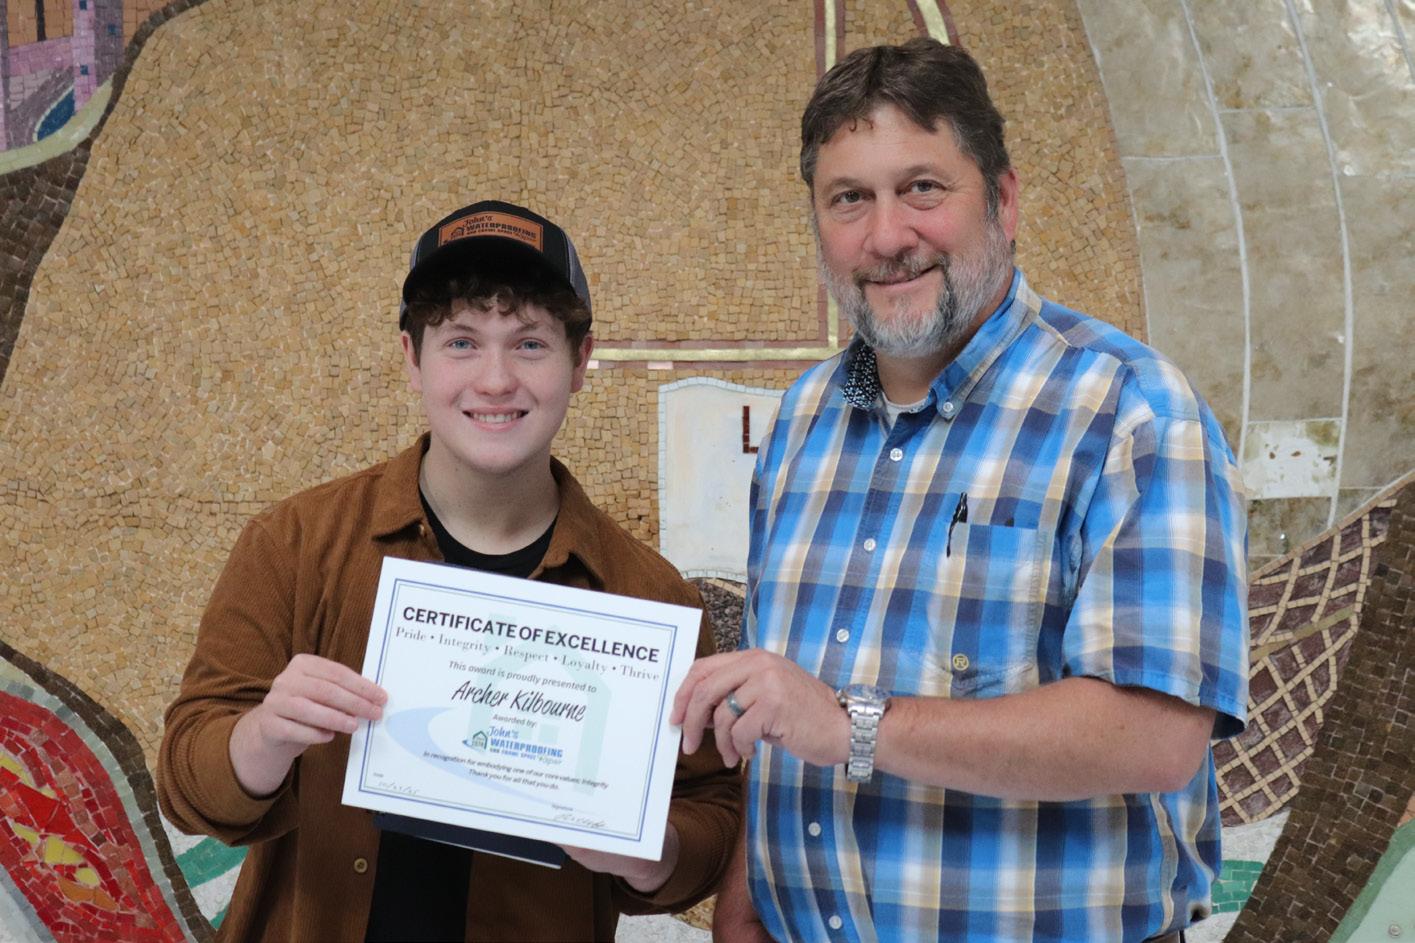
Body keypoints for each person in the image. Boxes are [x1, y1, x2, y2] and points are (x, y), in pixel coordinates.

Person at [672, 39, 1248, 943]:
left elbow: (1154, 737)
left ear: (1004, 201)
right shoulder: (801, 422)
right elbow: (787, 712)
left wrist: (852, 724)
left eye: (922, 188)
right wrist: (745, 893)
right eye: (849, 199)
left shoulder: (1129, 411)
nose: (886, 236)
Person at [159, 200, 740, 941]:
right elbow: (186, 782)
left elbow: (711, 813)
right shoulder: (295, 543)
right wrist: (262, 739)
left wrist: (651, 852)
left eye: (529, 344)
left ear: (580, 362)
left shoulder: (654, 599)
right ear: (412, 358)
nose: (495, 380)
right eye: (461, 342)